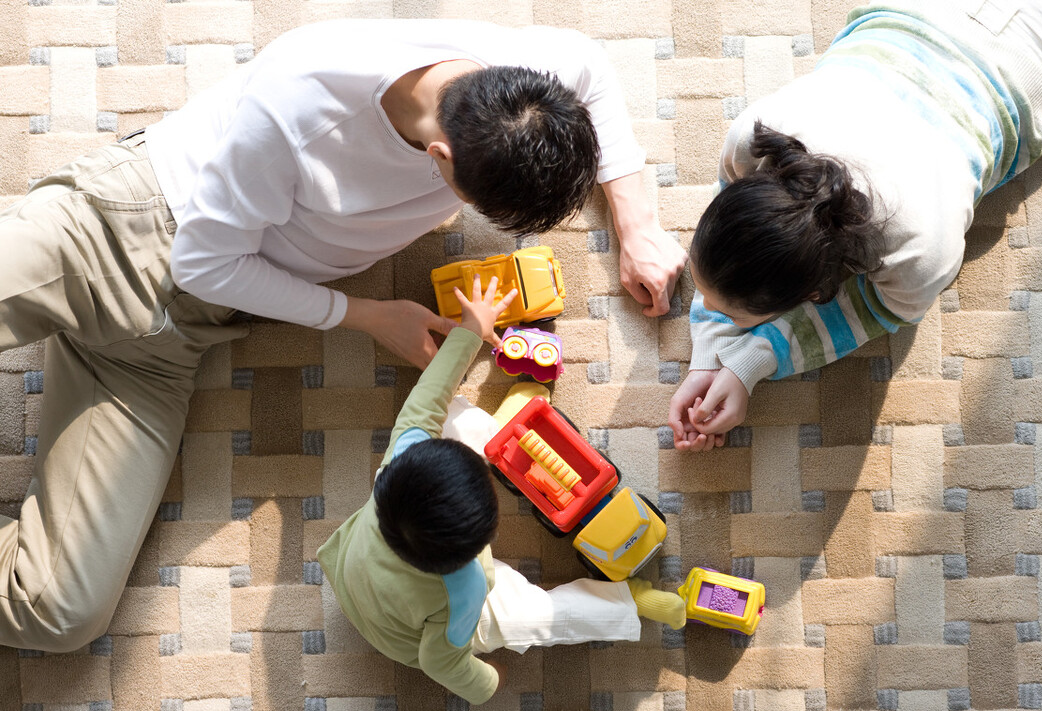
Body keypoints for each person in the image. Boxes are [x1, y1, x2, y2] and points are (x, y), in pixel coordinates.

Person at [0, 19, 685, 651]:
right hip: (116, 229)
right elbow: (204, 264)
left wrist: (639, 225)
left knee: (59, 612)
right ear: (441, 157)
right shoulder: (300, 94)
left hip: (177, 338)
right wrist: (363, 314)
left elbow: (591, 65)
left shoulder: (518, 81)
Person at [668, 0, 1042, 451]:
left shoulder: (919, 250)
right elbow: (739, 247)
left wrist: (753, 359)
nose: (703, 304)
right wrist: (712, 352)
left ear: (818, 288)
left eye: (721, 310)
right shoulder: (755, 135)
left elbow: (865, 312)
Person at [316, 275, 686, 704]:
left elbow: (429, 393)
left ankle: (507, 429)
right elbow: (440, 661)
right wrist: (486, 681)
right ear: (477, 546)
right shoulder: (468, 587)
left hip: (352, 567)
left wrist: (471, 330)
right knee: (531, 618)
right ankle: (626, 601)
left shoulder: (400, 458)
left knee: (443, 412)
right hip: (403, 635)